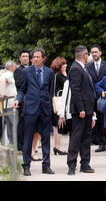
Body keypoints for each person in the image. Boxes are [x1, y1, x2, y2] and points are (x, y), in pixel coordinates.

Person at [13, 48, 55, 176]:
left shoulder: (49, 72)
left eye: (38, 57)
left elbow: (50, 91)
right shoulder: (26, 72)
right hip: (31, 109)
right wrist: (17, 100)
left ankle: (46, 165)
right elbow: (22, 89)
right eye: (34, 57)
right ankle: (26, 166)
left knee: (46, 138)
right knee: (28, 137)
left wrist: (48, 104)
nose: (35, 59)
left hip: (45, 109)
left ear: (44, 58)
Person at [67, 45, 96, 175]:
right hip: (80, 110)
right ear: (84, 55)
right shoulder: (75, 69)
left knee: (86, 137)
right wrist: (81, 109)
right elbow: (76, 91)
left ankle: (85, 163)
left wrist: (92, 110)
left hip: (88, 109)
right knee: (76, 137)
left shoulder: (83, 68)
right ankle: (71, 164)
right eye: (88, 54)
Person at [86, 44, 106, 152]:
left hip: (105, 97)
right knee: (97, 121)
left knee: (105, 121)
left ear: (100, 52)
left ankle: (105, 142)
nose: (94, 54)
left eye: (96, 52)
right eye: (92, 52)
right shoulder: (88, 67)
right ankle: (100, 143)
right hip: (93, 97)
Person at [50, 56, 68, 155]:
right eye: (64, 64)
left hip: (54, 103)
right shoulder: (60, 76)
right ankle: (58, 147)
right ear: (60, 65)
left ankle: (57, 146)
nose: (66, 65)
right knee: (59, 125)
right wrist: (65, 74)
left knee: (56, 126)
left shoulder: (53, 75)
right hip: (59, 103)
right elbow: (68, 84)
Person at [13, 49, 30, 151]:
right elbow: (19, 85)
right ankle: (20, 145)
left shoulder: (32, 68)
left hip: (31, 99)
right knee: (22, 122)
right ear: (20, 58)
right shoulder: (19, 70)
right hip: (22, 100)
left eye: (27, 56)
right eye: (23, 56)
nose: (25, 58)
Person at [0, 60, 17, 144]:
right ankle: (14, 144)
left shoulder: (6, 74)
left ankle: (12, 143)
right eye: (14, 65)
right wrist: (3, 93)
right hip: (10, 102)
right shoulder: (7, 74)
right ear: (10, 67)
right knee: (13, 124)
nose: (15, 67)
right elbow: (3, 81)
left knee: (10, 124)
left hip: (8, 103)